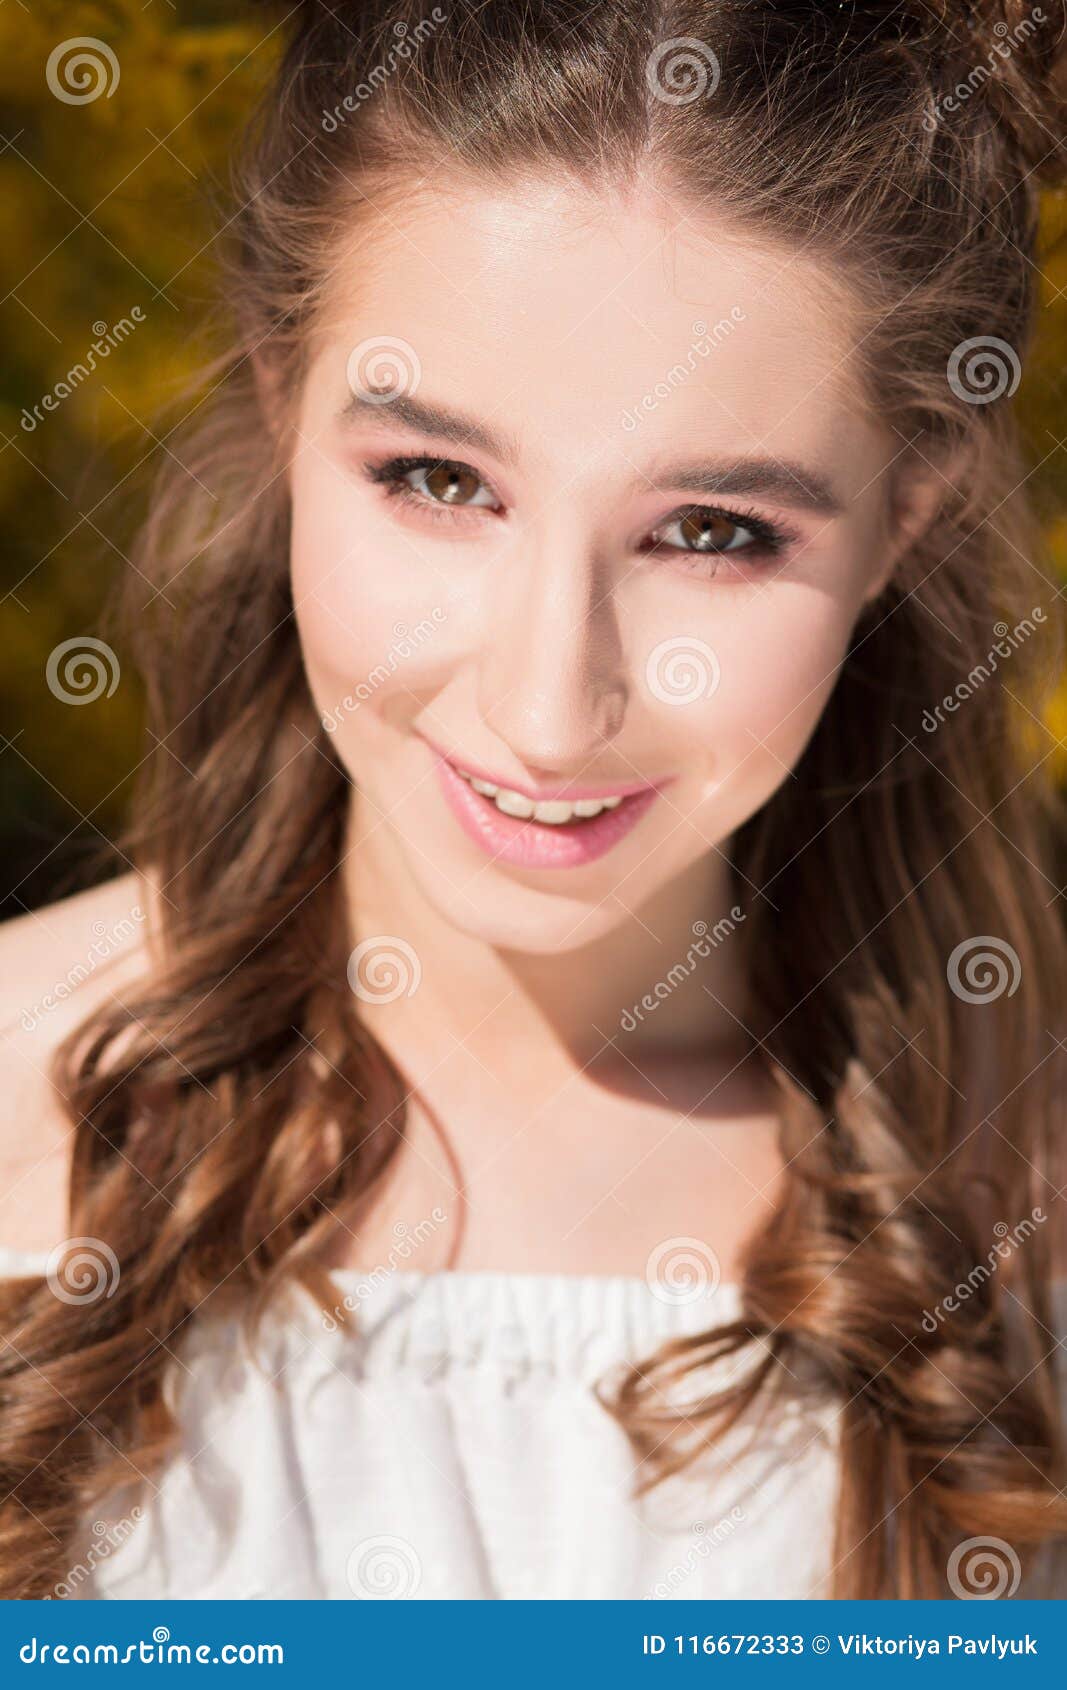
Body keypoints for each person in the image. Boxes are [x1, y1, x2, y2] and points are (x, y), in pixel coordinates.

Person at [1, 0, 1066, 1600]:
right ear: (281, 396)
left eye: (712, 529)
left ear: (904, 514)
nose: (546, 705)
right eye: (440, 483)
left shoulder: (1030, 1196)